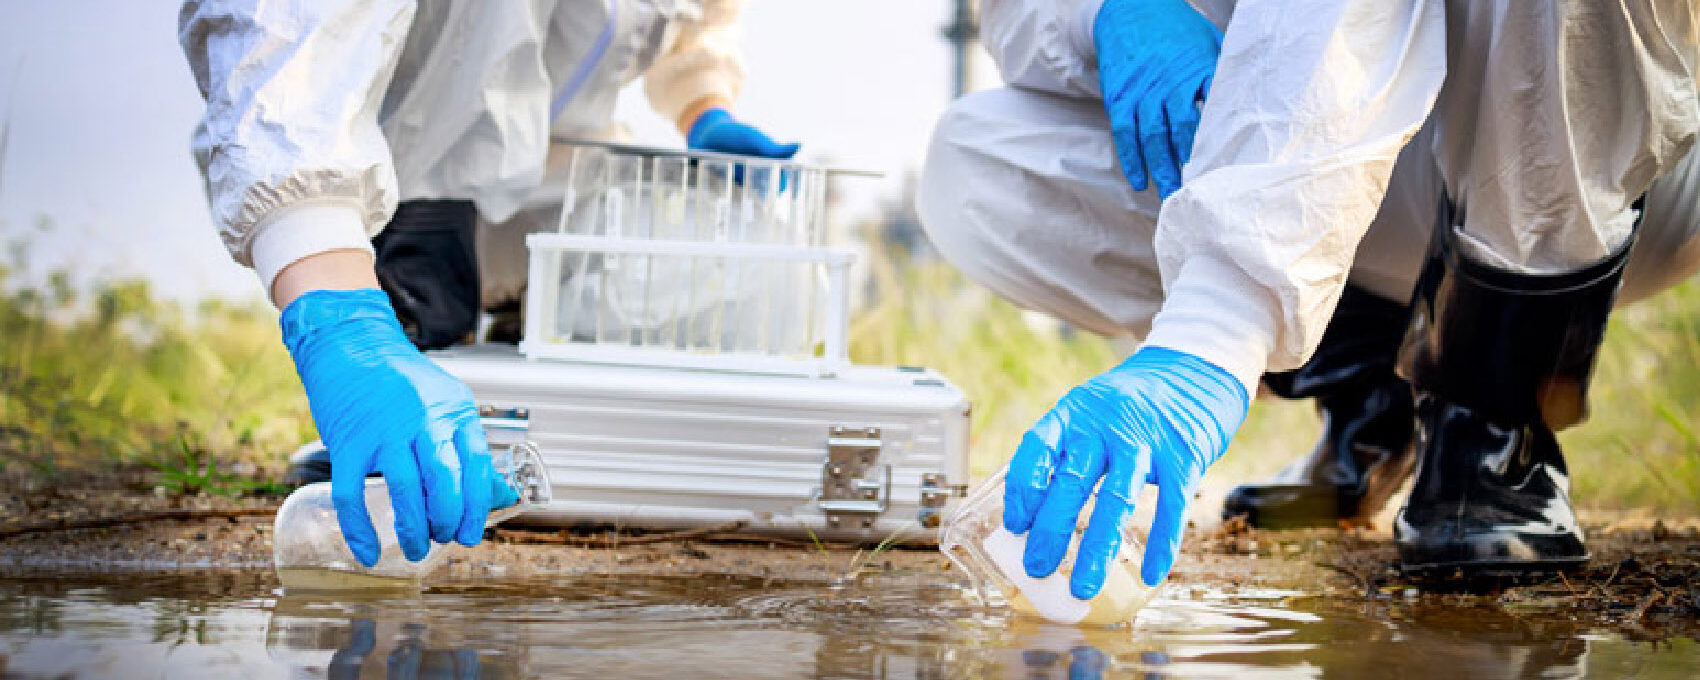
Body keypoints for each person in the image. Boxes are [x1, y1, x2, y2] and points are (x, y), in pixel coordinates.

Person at [918, 0, 1700, 599]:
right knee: (978, 159)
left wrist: (1214, 329)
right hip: (1358, 159)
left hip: (1597, 140)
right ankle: (1372, 398)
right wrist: (1108, 10)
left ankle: (1490, 424)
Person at [179, 0, 798, 568]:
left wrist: (703, 102)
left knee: (596, 321)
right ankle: (393, 424)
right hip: (407, 175)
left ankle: (483, 412)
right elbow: (282, 36)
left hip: (563, 186)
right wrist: (336, 310)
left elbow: (689, 13)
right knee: (425, 311)